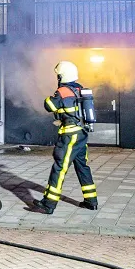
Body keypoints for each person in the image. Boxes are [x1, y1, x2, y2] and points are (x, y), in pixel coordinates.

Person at [33, 61, 98, 214]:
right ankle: (91, 200)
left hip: (69, 136)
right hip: (82, 134)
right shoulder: (79, 89)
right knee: (82, 166)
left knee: (59, 168)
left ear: (61, 76)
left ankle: (49, 203)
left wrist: (51, 96)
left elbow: (49, 105)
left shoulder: (63, 91)